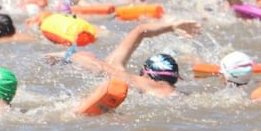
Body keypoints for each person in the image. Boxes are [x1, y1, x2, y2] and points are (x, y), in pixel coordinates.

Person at [45, 19, 201, 97]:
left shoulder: (136, 81)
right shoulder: (184, 95)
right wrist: (172, 27)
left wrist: (65, 55)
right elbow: (140, 31)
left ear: (146, 74)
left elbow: (97, 66)